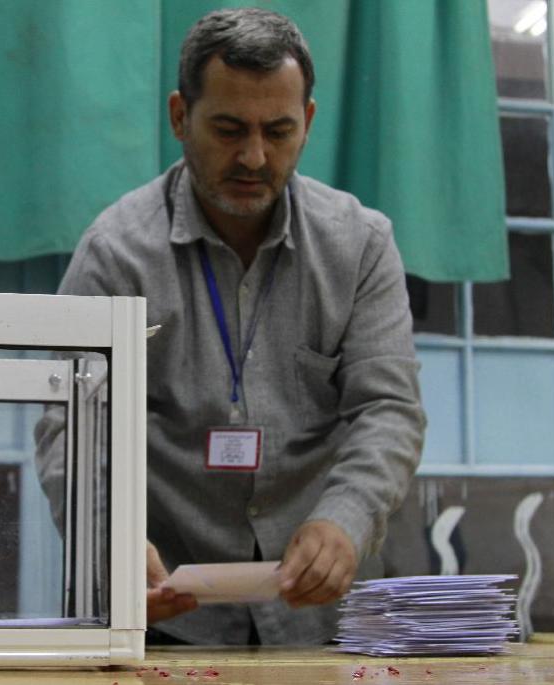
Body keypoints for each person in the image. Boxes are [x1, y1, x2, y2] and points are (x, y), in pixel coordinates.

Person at [43, 8, 426, 645]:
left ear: (306, 123)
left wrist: (347, 518)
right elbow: (69, 428)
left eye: (278, 131)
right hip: (168, 615)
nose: (254, 157)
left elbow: (388, 408)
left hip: (327, 621)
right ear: (178, 117)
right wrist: (109, 540)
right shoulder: (115, 253)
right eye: (228, 129)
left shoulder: (361, 245)